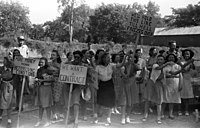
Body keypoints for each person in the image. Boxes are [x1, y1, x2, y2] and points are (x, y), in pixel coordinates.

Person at [94, 52, 127, 126]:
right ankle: (96, 116)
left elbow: (121, 65)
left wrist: (125, 57)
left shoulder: (111, 65)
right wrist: (96, 86)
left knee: (110, 101)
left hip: (109, 84)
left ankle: (108, 118)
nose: (109, 59)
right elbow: (96, 78)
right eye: (107, 58)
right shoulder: (98, 67)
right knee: (99, 101)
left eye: (109, 58)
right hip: (101, 84)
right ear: (103, 59)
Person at [143, 55, 173, 124]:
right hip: (151, 83)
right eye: (158, 59)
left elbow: (171, 73)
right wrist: (167, 63)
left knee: (159, 102)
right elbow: (159, 68)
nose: (159, 61)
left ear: (163, 60)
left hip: (159, 84)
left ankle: (158, 118)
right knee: (147, 100)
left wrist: (180, 70)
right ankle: (145, 115)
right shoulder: (155, 65)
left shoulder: (166, 68)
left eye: (161, 59)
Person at [64, 50, 87, 128]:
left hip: (77, 86)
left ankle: (76, 120)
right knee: (68, 102)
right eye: (75, 57)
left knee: (76, 103)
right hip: (68, 85)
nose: (76, 58)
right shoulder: (69, 64)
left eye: (78, 57)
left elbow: (87, 75)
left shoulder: (83, 66)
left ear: (81, 58)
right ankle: (70, 117)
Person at [34, 57, 54, 127]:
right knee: (40, 105)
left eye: (42, 62)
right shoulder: (39, 70)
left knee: (47, 105)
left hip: (46, 88)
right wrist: (36, 80)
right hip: (40, 88)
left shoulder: (48, 70)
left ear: (45, 62)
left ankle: (48, 120)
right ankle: (39, 120)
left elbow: (52, 79)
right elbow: (37, 77)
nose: (41, 63)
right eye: (40, 62)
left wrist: (43, 80)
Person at [162, 54, 182, 119]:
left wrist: (180, 84)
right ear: (167, 59)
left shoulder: (178, 66)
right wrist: (163, 84)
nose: (171, 59)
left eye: (172, 57)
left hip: (176, 82)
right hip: (167, 82)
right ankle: (162, 113)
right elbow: (163, 75)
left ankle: (170, 113)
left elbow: (181, 76)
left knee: (172, 99)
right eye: (170, 57)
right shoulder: (165, 67)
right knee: (165, 98)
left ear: (174, 58)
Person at [123, 51, 140, 124]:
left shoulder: (135, 65)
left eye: (132, 57)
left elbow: (138, 68)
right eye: (129, 57)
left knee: (132, 101)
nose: (130, 58)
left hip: (132, 82)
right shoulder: (125, 64)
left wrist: (133, 63)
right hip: (125, 82)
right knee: (125, 100)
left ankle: (128, 116)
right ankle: (123, 116)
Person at [178, 49, 195, 116]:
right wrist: (189, 62)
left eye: (188, 54)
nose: (186, 55)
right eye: (185, 54)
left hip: (187, 79)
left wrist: (191, 62)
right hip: (181, 78)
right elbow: (183, 69)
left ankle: (186, 110)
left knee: (187, 96)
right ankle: (179, 110)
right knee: (180, 95)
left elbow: (192, 70)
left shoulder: (191, 63)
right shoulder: (180, 62)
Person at [49, 50, 64, 122]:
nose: (52, 56)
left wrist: (56, 66)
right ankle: (54, 114)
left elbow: (63, 72)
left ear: (57, 56)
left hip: (58, 82)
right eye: (51, 55)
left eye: (54, 55)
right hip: (50, 82)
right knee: (52, 99)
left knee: (58, 99)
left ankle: (60, 113)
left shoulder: (60, 64)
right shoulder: (48, 64)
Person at [112, 53, 126, 124]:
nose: (118, 58)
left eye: (118, 57)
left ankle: (116, 108)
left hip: (121, 81)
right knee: (115, 95)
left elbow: (123, 73)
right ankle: (114, 108)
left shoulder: (122, 66)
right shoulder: (112, 65)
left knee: (121, 95)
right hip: (114, 81)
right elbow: (120, 65)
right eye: (116, 57)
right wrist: (125, 57)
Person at [0, 57, 14, 128]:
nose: (5, 62)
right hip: (3, 87)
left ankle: (9, 120)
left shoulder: (12, 69)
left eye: (6, 61)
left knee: (9, 103)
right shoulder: (1, 69)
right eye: (4, 61)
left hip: (10, 87)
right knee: (1, 103)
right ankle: (0, 117)